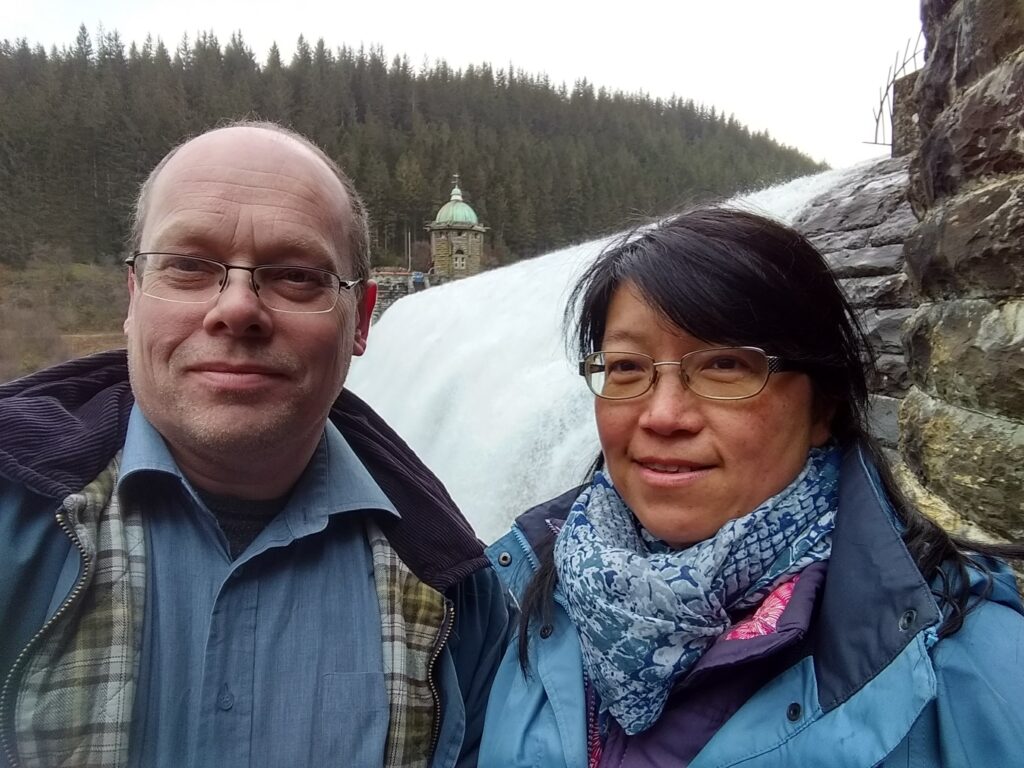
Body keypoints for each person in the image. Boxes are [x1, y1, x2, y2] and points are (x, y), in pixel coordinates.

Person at [0, 121, 509, 768]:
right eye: (187, 266)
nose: (237, 308)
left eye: (296, 275)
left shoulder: (454, 597)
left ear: (362, 319)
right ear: (133, 297)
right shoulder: (14, 520)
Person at [479, 207, 1024, 767]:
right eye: (625, 367)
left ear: (823, 406)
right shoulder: (522, 590)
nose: (663, 415)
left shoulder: (977, 665)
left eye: (723, 364)